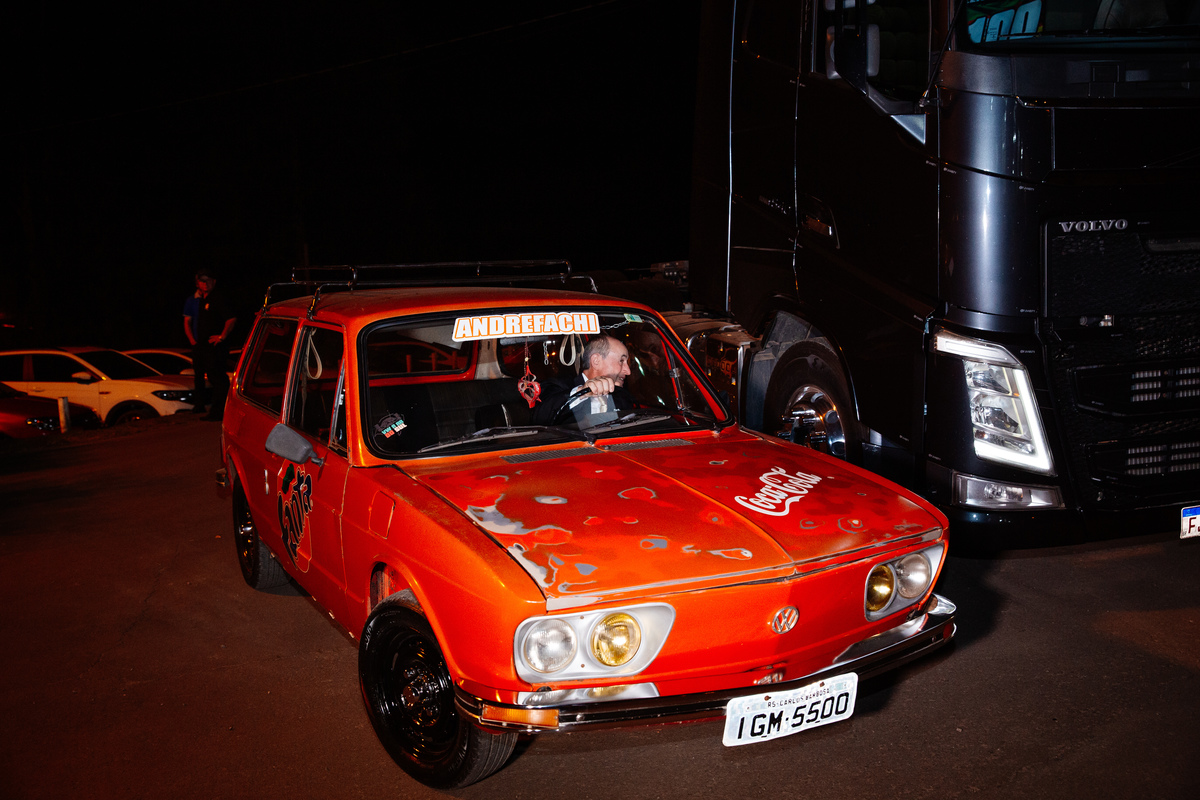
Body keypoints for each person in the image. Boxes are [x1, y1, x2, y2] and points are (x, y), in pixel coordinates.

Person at [532, 334, 633, 425]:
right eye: (621, 361)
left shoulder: (622, 396)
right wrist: (582, 392)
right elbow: (540, 418)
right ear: (596, 361)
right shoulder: (558, 386)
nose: (628, 371)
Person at [192, 269, 236, 421]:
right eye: (202, 281)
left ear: (214, 281)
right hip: (205, 346)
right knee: (212, 376)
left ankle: (219, 411)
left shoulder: (218, 297)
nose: (205, 284)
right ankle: (217, 410)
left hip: (216, 347)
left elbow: (231, 319)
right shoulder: (204, 299)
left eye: (208, 280)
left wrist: (222, 336)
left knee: (218, 377)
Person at [183, 275, 208, 413]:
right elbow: (187, 322)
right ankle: (200, 404)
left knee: (214, 373)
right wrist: (192, 340)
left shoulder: (210, 298)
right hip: (198, 343)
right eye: (200, 281)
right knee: (198, 375)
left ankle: (218, 404)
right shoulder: (192, 300)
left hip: (209, 343)